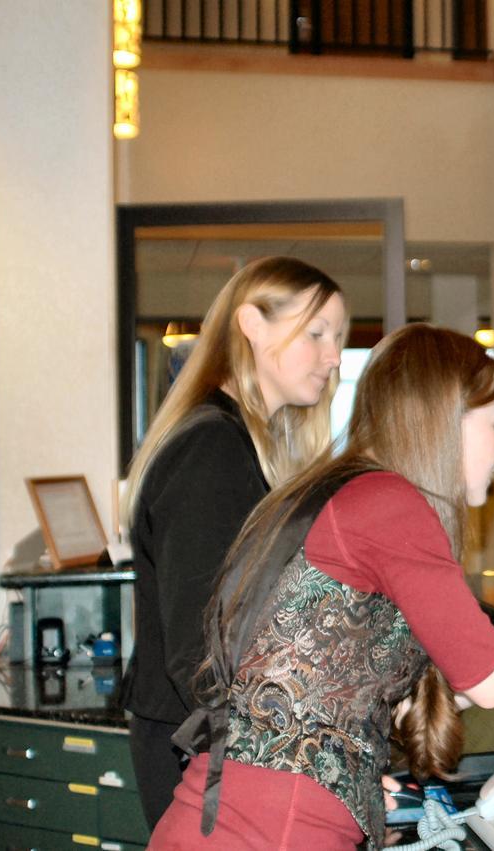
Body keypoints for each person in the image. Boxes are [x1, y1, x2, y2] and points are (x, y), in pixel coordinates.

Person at [149, 324, 494, 850]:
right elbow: (491, 675)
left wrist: (350, 783)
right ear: (444, 420)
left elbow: (336, 675)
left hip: (234, 810)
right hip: (276, 825)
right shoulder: (388, 503)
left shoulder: (343, 491)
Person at [121, 256, 348, 827]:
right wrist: (279, 759)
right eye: (316, 333)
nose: (334, 356)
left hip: (211, 743)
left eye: (338, 338)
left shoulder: (240, 443)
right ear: (251, 323)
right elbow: (196, 649)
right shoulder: (212, 451)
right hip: (200, 749)